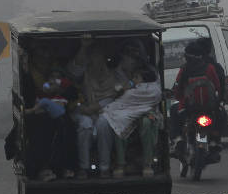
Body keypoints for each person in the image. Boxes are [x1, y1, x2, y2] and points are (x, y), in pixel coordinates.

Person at [68, 39, 129, 177]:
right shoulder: (84, 74)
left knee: (103, 123)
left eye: (99, 56)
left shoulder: (114, 75)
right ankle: (83, 167)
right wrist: (83, 47)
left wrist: (101, 105)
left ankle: (104, 167)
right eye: (93, 56)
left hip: (106, 112)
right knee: (85, 124)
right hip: (83, 110)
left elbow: (122, 93)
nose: (96, 60)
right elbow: (74, 70)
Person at [95, 64, 161, 177]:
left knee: (146, 123)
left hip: (146, 114)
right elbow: (123, 103)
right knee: (119, 122)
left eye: (136, 77)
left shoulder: (153, 90)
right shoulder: (130, 90)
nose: (133, 80)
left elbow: (149, 100)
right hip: (128, 114)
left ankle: (147, 164)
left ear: (144, 79)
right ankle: (121, 163)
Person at [23, 68, 79, 180]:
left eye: (58, 77)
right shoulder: (40, 95)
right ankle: (43, 169)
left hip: (60, 121)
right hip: (43, 121)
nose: (54, 80)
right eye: (52, 77)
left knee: (66, 129)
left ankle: (65, 168)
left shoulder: (63, 95)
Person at [170, 42, 222, 158]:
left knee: (173, 110)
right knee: (221, 115)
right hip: (209, 108)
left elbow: (178, 89)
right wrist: (217, 101)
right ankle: (215, 141)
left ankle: (178, 140)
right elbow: (217, 86)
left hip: (188, 108)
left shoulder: (184, 69)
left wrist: (178, 97)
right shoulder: (210, 68)